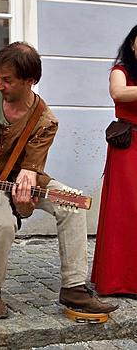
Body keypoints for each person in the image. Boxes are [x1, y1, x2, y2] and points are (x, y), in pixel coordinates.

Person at [0, 41, 118, 319]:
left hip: (18, 177)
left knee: (72, 205)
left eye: (7, 80)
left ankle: (74, 288)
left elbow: (29, 171)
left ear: (30, 81)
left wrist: (25, 195)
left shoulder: (45, 121)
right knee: (2, 223)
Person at [91, 25, 137, 297]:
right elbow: (119, 94)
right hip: (129, 147)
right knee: (126, 212)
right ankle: (120, 280)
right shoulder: (121, 71)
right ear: (132, 43)